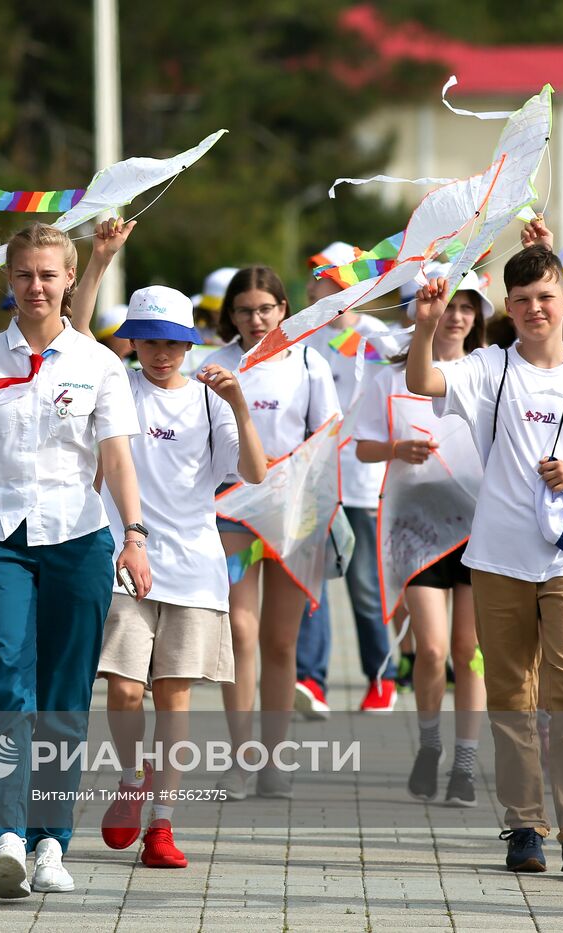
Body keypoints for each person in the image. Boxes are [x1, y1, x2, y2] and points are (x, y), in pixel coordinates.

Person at [405, 247, 563, 874]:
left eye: (546, 297)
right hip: (499, 554)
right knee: (511, 693)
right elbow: (422, 382)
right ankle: (524, 827)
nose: (536, 309)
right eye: (524, 299)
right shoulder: (489, 367)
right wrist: (426, 325)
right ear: (510, 307)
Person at [0, 222, 151, 899]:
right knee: (6, 683)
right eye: (24, 274)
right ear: (9, 280)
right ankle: (5, 834)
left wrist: (136, 533)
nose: (36, 286)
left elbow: (117, 458)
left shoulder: (98, 364)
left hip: (78, 538)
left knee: (65, 698)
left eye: (48, 274)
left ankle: (51, 841)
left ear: (69, 279)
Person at [94, 286, 267, 868]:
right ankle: (129, 779)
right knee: (122, 687)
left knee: (173, 696)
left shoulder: (209, 399)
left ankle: (162, 824)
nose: (161, 354)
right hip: (125, 558)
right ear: (133, 341)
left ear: (189, 344)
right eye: (149, 341)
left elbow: (254, 471)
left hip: (194, 565)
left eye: (173, 343)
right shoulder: (117, 389)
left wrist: (239, 403)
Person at [356, 265, 491, 807]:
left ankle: (465, 763)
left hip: (480, 526)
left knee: (470, 649)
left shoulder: (487, 370)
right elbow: (363, 445)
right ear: (418, 309)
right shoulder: (389, 378)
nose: (456, 316)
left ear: (478, 315)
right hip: (413, 528)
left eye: (467, 306)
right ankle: (430, 744)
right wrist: (397, 451)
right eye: (446, 305)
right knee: (432, 649)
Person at [204, 266, 340, 801]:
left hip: (293, 517)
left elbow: (328, 441)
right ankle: (241, 760)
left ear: (285, 308)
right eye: (244, 310)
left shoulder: (310, 362)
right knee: (240, 632)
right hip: (231, 509)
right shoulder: (211, 365)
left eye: (266, 308)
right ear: (229, 315)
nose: (256, 319)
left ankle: (274, 762)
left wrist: (300, 499)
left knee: (281, 642)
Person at [298, 241, 396, 716]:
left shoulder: (380, 336)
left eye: (325, 277)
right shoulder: (304, 335)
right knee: (310, 582)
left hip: (362, 481)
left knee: (363, 584)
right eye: (317, 276)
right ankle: (310, 682)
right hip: (313, 481)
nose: (316, 284)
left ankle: (382, 680)